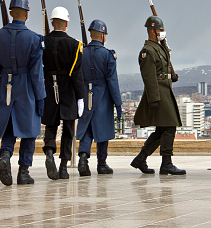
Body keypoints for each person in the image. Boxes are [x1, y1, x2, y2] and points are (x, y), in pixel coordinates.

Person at [0, 0, 46, 186]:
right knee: (29, 130)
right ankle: (23, 172)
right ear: (26, 14)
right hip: (27, 86)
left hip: (6, 85)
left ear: (11, 13)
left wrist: (5, 71)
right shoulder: (35, 39)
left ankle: (5, 154)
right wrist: (41, 98)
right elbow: (37, 73)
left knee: (9, 126)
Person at [130, 16, 185, 175]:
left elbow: (162, 70)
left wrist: (171, 76)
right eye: (160, 30)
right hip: (159, 94)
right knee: (169, 127)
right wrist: (153, 99)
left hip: (165, 90)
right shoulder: (148, 51)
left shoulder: (159, 48)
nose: (162, 32)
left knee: (163, 129)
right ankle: (166, 163)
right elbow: (149, 77)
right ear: (152, 31)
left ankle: (141, 158)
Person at [42, 7, 85, 180]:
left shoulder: (43, 42)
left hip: (49, 89)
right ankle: (63, 166)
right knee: (68, 130)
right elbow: (77, 74)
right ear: (66, 24)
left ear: (52, 22)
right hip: (68, 91)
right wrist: (80, 97)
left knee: (51, 127)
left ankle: (50, 153)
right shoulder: (75, 45)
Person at [76, 20, 122, 176]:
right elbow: (112, 82)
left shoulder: (82, 52)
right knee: (102, 129)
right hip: (103, 96)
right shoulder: (108, 55)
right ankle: (102, 164)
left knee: (87, 128)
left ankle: (83, 158)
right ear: (102, 35)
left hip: (85, 94)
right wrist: (118, 104)